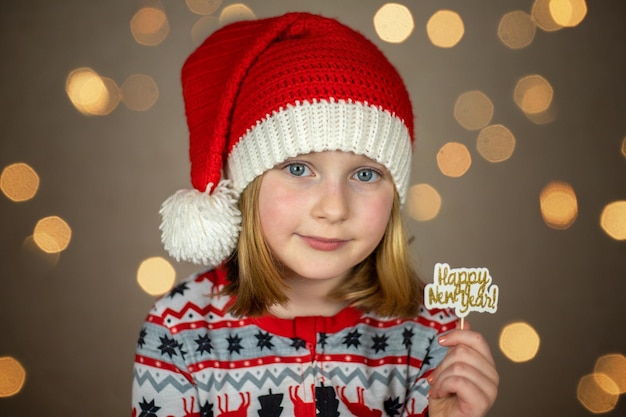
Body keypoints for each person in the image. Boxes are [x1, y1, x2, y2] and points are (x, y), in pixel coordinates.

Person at [131, 11, 498, 417]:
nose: (334, 208)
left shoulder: (431, 334)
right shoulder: (179, 329)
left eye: (365, 173)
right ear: (245, 184)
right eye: (298, 169)